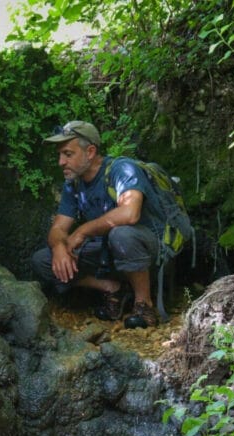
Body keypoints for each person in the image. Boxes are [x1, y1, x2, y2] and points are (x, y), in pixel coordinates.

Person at [30, 120, 162, 328]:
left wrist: (82, 231)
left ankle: (143, 305)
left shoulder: (122, 169)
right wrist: (58, 248)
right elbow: (58, 229)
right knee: (43, 261)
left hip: (145, 250)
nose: (61, 162)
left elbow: (130, 213)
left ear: (90, 152)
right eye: (60, 155)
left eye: (68, 154)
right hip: (106, 254)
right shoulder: (73, 184)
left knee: (122, 235)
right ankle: (114, 289)